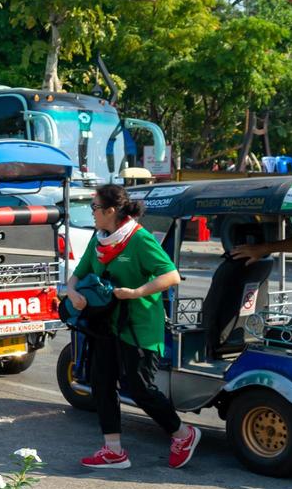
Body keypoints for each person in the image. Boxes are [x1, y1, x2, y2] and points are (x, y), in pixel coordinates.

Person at [66, 183, 196, 471]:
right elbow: (79, 273)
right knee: (101, 383)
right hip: (105, 325)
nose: (92, 213)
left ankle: (183, 434)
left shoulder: (139, 239)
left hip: (138, 326)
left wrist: (137, 292)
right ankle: (113, 451)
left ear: (111, 211)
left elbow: (171, 276)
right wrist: (73, 292)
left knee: (140, 388)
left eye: (95, 208)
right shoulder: (99, 239)